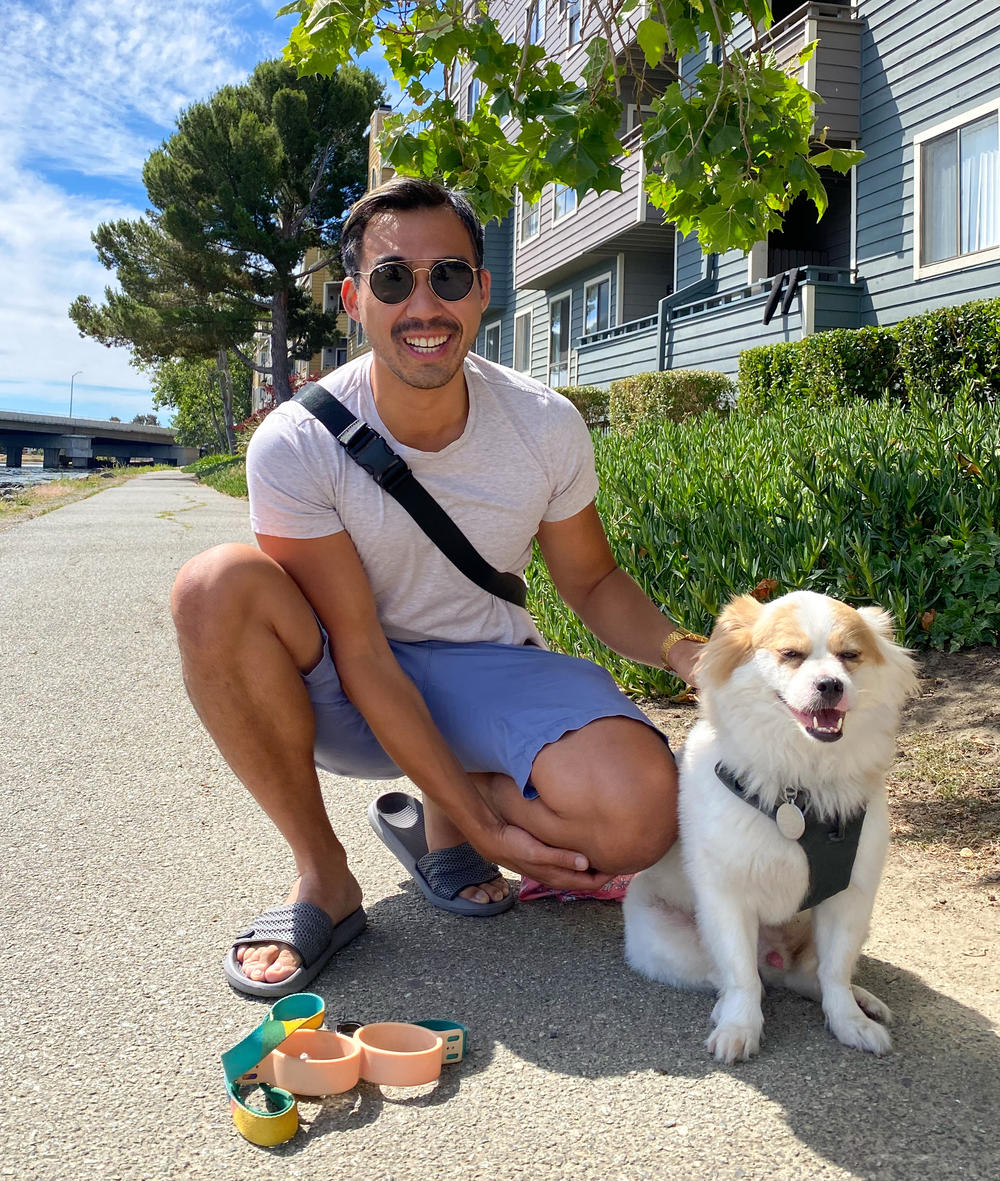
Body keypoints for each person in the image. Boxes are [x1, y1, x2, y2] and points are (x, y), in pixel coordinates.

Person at [170, 177, 704, 997]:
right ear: (354, 299)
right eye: (393, 279)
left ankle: (444, 819)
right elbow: (361, 649)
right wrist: (493, 822)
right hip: (347, 682)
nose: (425, 305)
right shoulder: (297, 441)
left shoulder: (543, 423)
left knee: (638, 816)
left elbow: (592, 580)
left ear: (484, 291)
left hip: (487, 667)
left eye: (449, 276)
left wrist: (688, 654)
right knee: (213, 585)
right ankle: (324, 875)